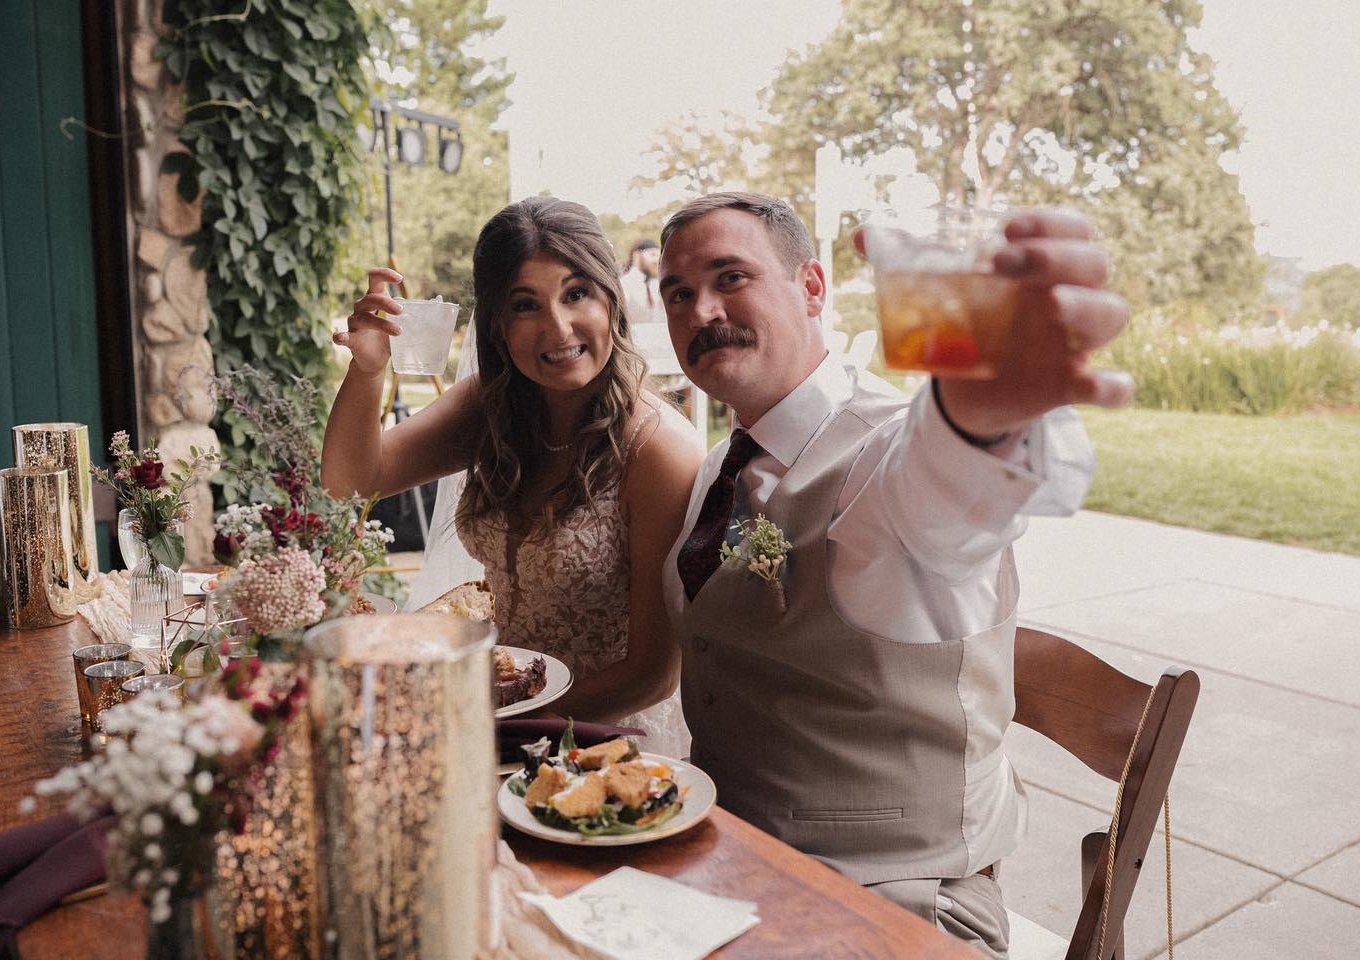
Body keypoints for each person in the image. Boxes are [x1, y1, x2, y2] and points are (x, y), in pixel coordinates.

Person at [656, 192, 1132, 958]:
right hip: (726, 871)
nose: (701, 310)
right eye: (678, 293)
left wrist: (977, 420)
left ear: (813, 287)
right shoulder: (720, 467)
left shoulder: (885, 447)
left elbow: (942, 499)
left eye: (730, 277)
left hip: (894, 904)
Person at [322, 197, 703, 748]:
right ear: (497, 324)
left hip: (607, 742)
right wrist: (367, 369)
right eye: (526, 305)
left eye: (576, 294)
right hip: (498, 722)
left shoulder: (658, 450)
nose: (558, 328)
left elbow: (652, 676)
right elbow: (352, 481)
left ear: (611, 300)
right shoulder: (493, 407)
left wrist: (489, 723)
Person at [620, 238, 665, 324]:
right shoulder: (624, 283)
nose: (657, 261)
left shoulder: (657, 284)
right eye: (653, 255)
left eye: (659, 256)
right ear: (637, 255)